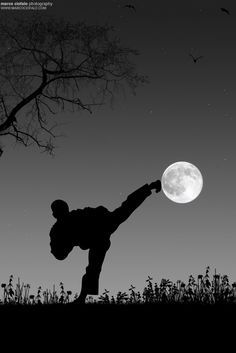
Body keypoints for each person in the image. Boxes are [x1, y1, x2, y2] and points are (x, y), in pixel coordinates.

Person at [49, 179, 162, 304]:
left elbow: (127, 206)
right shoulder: (58, 229)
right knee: (93, 268)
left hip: (102, 225)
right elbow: (60, 254)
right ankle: (82, 298)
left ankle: (81, 298)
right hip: (99, 233)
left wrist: (149, 188)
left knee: (93, 267)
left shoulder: (71, 221)